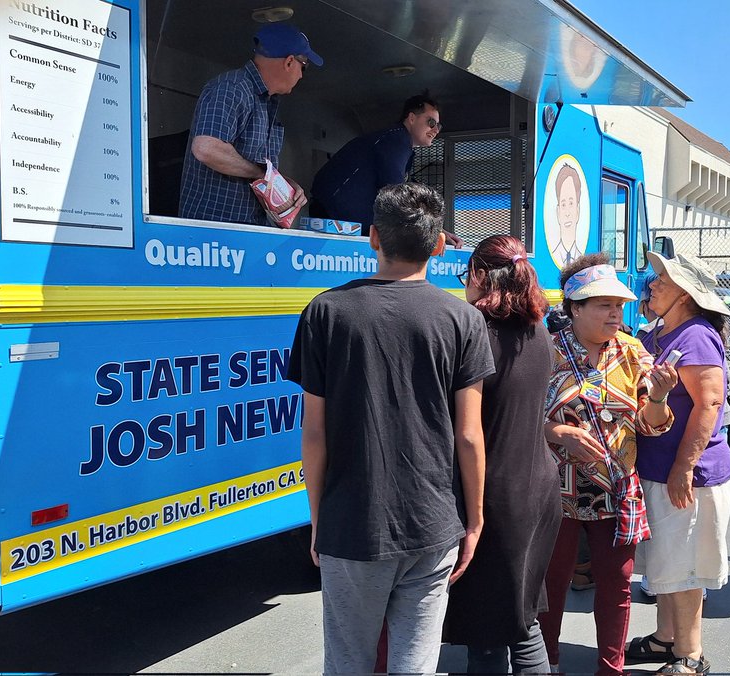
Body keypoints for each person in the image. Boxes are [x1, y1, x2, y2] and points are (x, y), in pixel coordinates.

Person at [286, 182, 494, 674]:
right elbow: (469, 436)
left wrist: (319, 518)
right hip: (434, 522)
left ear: (374, 237)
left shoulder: (325, 312)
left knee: (348, 663)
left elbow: (314, 435)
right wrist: (476, 519)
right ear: (440, 245)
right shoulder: (463, 319)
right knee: (414, 665)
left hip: (351, 523)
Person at [539, 253, 678, 676]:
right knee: (551, 584)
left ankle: (610, 667)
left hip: (616, 489)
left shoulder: (634, 352)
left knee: (616, 586)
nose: (616, 313)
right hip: (556, 491)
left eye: (619, 305)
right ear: (574, 308)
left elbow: (650, 428)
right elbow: (514, 416)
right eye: (603, 305)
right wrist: (554, 433)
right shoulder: (545, 351)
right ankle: (548, 662)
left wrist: (657, 398)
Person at [443, 235, 559, 674]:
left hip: (492, 495)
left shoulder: (475, 334)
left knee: (488, 636)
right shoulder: (538, 331)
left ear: (477, 275)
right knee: (523, 621)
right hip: (538, 488)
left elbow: (469, 433)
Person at [626, 252, 730, 676]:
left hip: (690, 475)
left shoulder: (696, 336)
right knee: (667, 561)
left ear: (686, 293)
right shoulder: (661, 332)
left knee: (685, 564)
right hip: (660, 468)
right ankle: (665, 638)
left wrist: (683, 467)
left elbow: (709, 402)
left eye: (662, 280)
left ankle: (690, 654)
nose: (651, 285)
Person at [179, 22, 314, 226]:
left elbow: (252, 167)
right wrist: (261, 174)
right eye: (303, 67)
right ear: (289, 63)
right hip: (211, 238)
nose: (302, 75)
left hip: (243, 235)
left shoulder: (266, 102)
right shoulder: (232, 87)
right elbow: (206, 148)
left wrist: (281, 185)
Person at [310, 92, 463, 245]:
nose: (436, 130)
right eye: (431, 122)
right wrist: (433, 231)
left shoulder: (397, 142)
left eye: (438, 125)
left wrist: (436, 230)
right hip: (334, 220)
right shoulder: (396, 141)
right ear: (411, 118)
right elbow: (397, 197)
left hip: (340, 221)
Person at [550, 164, 585, 265]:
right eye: (563, 204)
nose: (567, 213)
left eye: (571, 203)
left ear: (578, 211)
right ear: (558, 212)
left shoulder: (582, 260)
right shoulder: (554, 254)